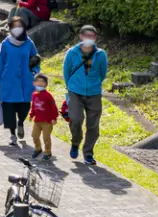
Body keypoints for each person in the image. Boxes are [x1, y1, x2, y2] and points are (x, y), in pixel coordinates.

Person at [62, 24, 108, 165]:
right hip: (75, 91)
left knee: (93, 126)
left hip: (94, 92)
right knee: (75, 119)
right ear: (81, 36)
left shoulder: (100, 54)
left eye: (92, 36)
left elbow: (102, 73)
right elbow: (66, 71)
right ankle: (75, 142)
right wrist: (71, 87)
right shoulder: (72, 52)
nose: (89, 39)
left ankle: (88, 153)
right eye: (86, 36)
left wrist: (95, 84)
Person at [0, 18, 41, 147]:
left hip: (26, 80)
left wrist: (35, 71)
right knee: (8, 108)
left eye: (19, 26)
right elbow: (1, 62)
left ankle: (21, 123)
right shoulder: (6, 43)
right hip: (8, 80)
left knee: (24, 105)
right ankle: (13, 134)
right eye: (14, 26)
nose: (17, 28)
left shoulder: (29, 43)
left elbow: (36, 59)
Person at [30, 72, 60, 159]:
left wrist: (54, 118)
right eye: (37, 81)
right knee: (34, 136)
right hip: (37, 120)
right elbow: (34, 105)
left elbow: (53, 107)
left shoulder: (48, 96)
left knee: (46, 138)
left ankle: (47, 152)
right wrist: (32, 114)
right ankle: (38, 148)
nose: (40, 83)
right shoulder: (34, 95)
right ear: (34, 83)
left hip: (47, 121)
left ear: (46, 84)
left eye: (42, 81)